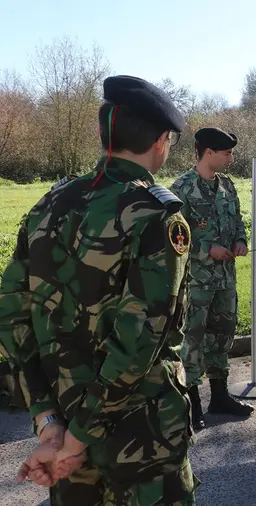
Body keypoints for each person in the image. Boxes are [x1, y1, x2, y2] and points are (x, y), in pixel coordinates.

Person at [0, 75, 199, 503]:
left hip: (65, 424)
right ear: (163, 141)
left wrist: (48, 421)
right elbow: (137, 343)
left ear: (100, 132)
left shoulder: (48, 205)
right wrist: (76, 438)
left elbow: (12, 315)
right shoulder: (157, 216)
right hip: (140, 439)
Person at [171, 127, 253, 430]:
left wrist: (240, 240)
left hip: (225, 279)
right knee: (192, 340)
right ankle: (192, 404)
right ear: (208, 152)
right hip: (195, 282)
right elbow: (172, 240)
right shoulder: (181, 188)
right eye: (227, 153)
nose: (231, 158)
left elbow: (237, 221)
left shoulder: (227, 186)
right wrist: (207, 249)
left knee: (222, 336)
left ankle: (219, 395)